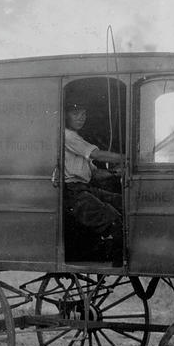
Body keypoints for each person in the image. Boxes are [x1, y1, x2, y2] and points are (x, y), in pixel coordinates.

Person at [61, 102, 124, 263]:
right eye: (76, 114)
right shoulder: (67, 135)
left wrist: (115, 172)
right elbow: (96, 154)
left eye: (84, 114)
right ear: (65, 115)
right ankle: (116, 259)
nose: (81, 118)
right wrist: (127, 158)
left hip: (84, 188)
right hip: (72, 192)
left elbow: (95, 173)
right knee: (113, 218)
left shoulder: (76, 139)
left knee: (121, 202)